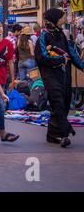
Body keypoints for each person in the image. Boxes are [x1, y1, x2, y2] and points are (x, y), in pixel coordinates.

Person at [35, 8, 84, 148]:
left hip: (64, 75)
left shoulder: (62, 34)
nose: (65, 19)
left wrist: (82, 66)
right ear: (55, 19)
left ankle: (52, 134)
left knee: (65, 103)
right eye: (62, 17)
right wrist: (60, 59)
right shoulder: (43, 37)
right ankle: (64, 134)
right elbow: (42, 57)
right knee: (58, 102)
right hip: (50, 76)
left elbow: (72, 54)